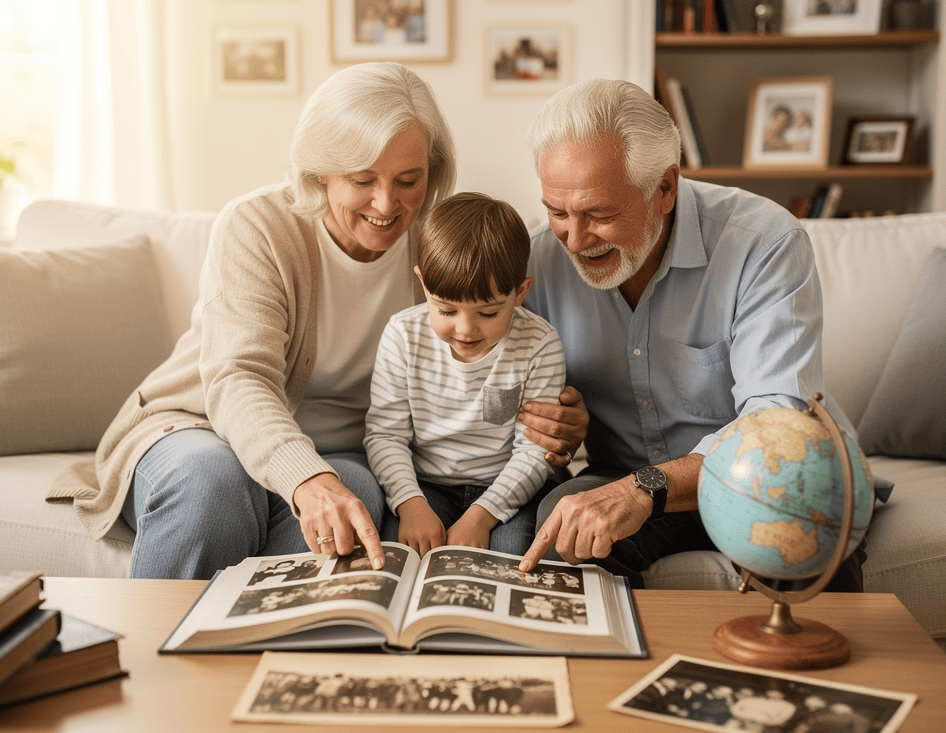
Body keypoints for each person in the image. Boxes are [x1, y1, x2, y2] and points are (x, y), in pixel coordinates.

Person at [49, 62, 583, 581]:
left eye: (408, 180)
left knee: (361, 498)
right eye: (362, 179)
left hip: (345, 453)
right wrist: (306, 479)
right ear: (320, 171)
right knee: (212, 481)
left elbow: (503, 357)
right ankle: (158, 657)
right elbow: (239, 379)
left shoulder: (439, 244)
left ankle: (275, 650)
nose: (386, 203)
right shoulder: (259, 226)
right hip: (203, 427)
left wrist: (559, 420)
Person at [518, 78, 865, 592]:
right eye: (557, 211)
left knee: (799, 517)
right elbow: (502, 382)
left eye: (600, 214)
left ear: (665, 188)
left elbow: (775, 422)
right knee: (558, 527)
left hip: (759, 478)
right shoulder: (539, 259)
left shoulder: (763, 242)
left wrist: (648, 486)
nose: (574, 237)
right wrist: (553, 426)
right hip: (620, 474)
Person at [366, 192, 567, 556]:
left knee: (512, 559)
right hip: (425, 487)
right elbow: (386, 436)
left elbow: (533, 451)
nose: (465, 329)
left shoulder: (539, 343)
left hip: (510, 487)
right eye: (445, 310)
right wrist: (411, 504)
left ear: (520, 293)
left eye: (488, 313)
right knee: (405, 553)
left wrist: (482, 517)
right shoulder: (402, 335)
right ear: (423, 283)